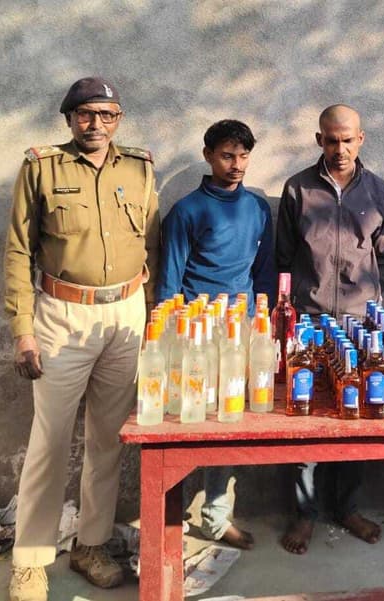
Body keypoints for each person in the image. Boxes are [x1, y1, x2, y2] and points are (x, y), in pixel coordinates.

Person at [4, 77, 160, 601]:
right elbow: (17, 252)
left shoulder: (139, 167)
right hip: (62, 316)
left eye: (107, 115)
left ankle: (91, 544)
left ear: (119, 120)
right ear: (69, 118)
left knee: (108, 438)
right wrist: (23, 331)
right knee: (49, 442)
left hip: (126, 312)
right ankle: (30, 560)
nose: (96, 124)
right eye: (86, 114)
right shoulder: (41, 167)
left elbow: (151, 243)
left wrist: (150, 319)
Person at [275, 104, 384, 553]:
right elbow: (284, 256)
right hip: (310, 320)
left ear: (360, 139)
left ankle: (346, 508)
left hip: (360, 325)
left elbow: (383, 258)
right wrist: (291, 313)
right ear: (319, 140)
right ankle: (304, 514)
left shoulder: (378, 191)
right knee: (305, 418)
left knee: (355, 417)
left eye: (347, 140)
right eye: (331, 140)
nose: (339, 149)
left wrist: (370, 309)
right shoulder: (298, 189)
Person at [156, 119, 276, 550]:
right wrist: (169, 333)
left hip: (240, 330)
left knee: (229, 418)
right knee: (183, 418)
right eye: (227, 155)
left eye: (243, 156)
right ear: (208, 156)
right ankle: (166, 516)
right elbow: (169, 278)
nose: (236, 164)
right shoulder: (187, 211)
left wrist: (262, 320)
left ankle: (215, 516)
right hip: (194, 331)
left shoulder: (258, 208)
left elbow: (263, 272)